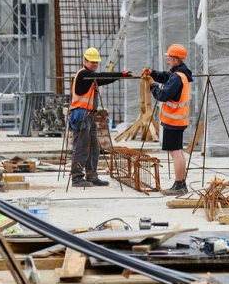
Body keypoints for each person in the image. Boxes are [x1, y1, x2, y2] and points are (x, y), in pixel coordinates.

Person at [69, 47, 132, 188]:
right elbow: (102, 76)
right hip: (81, 115)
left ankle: (92, 175)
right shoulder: (83, 74)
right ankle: (77, 177)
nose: (94, 65)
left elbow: (104, 79)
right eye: (91, 62)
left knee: (94, 147)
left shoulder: (91, 76)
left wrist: (120, 76)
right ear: (85, 61)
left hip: (89, 115)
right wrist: (120, 74)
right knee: (81, 147)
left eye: (96, 62)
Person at [141, 44, 193, 196]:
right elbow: (165, 76)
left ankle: (179, 185)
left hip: (173, 120)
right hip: (178, 120)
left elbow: (163, 95)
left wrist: (152, 85)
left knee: (175, 152)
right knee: (178, 152)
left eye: (169, 58)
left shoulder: (177, 77)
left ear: (176, 60)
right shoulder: (180, 73)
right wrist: (153, 73)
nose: (168, 61)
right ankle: (181, 183)